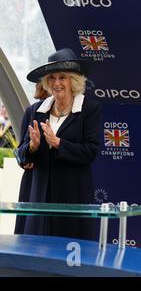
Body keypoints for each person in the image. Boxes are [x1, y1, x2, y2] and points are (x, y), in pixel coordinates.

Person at [16, 48, 102, 240]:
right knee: (35, 253)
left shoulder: (89, 109)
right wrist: (32, 147)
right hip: (37, 194)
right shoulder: (34, 111)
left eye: (62, 77)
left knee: (69, 253)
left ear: (74, 81)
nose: (56, 83)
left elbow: (90, 152)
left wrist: (58, 143)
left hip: (72, 195)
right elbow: (20, 156)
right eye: (52, 78)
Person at [14, 82, 51, 234]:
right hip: (34, 184)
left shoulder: (81, 112)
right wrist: (29, 151)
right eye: (51, 79)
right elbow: (20, 152)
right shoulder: (32, 111)